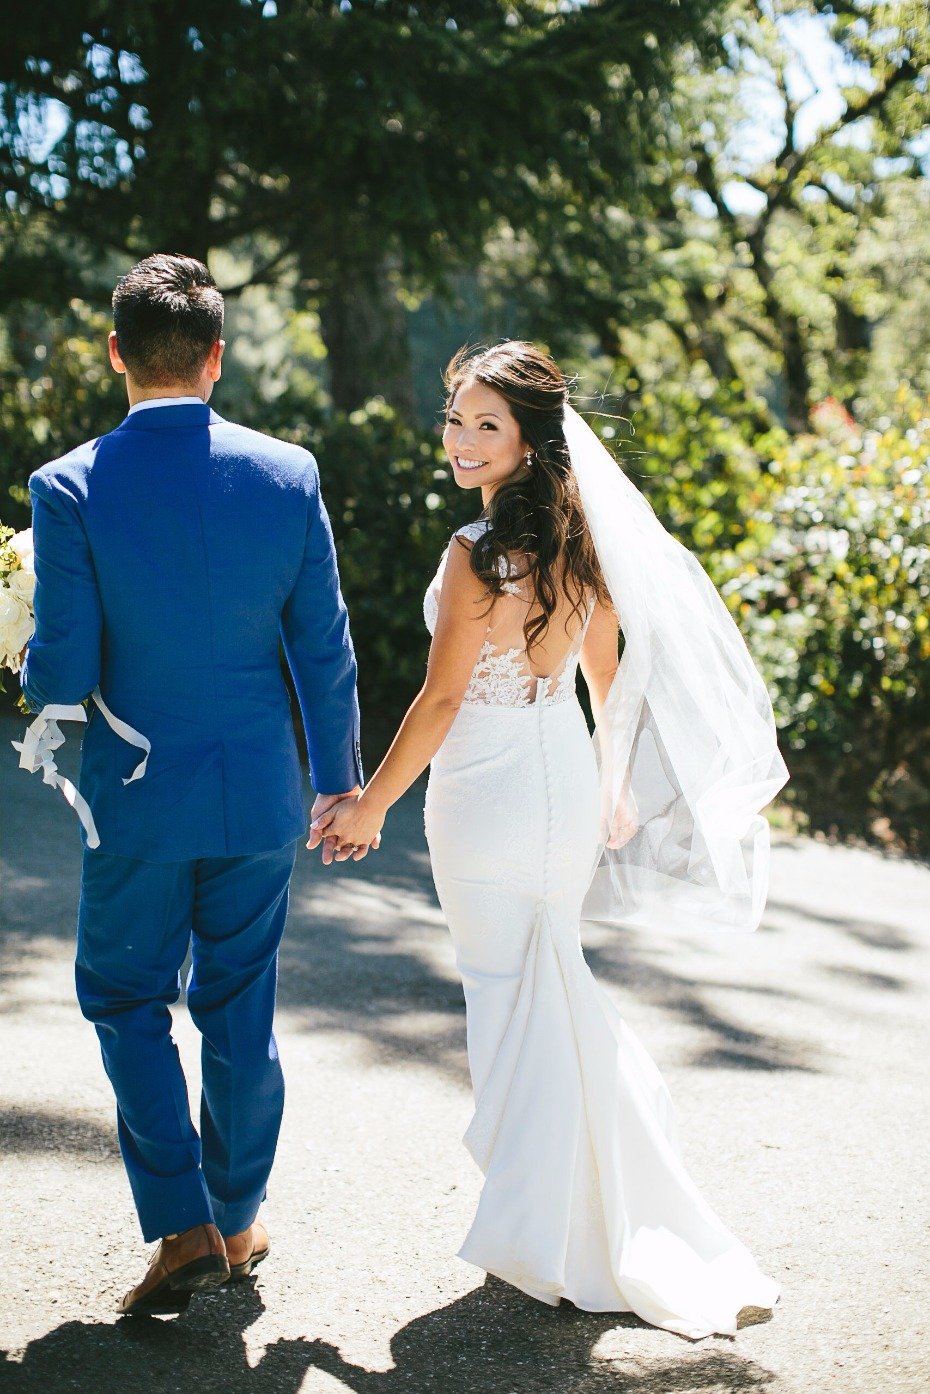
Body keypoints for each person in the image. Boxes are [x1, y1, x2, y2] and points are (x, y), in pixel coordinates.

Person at [315, 341, 786, 1340]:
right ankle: (582, 1209)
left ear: (530, 439)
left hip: (484, 800)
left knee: (505, 997)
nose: (462, 438)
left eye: (487, 423)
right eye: (457, 418)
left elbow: (442, 698)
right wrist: (610, 783)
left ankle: (549, 1225)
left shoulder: (472, 552)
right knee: (552, 985)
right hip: (562, 787)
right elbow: (606, 673)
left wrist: (371, 804)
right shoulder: (580, 545)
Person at [20, 253, 372, 1316]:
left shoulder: (69, 484)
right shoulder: (289, 471)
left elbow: (68, 673)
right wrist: (339, 779)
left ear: (116, 351)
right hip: (263, 789)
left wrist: (26, 657)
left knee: (125, 994)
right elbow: (326, 645)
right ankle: (241, 1212)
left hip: (139, 791)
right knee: (239, 1000)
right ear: (217, 357)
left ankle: (181, 1225)